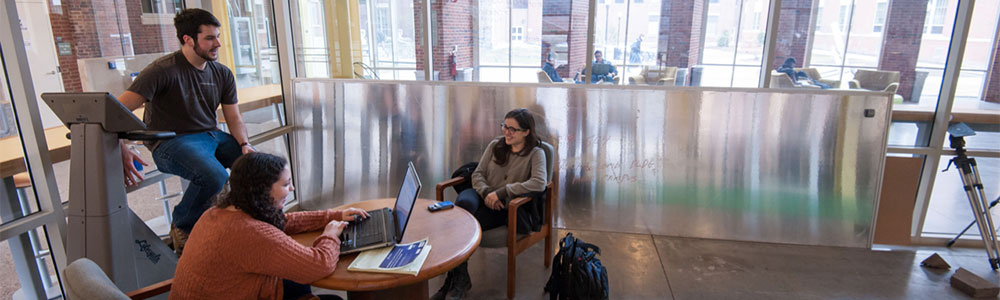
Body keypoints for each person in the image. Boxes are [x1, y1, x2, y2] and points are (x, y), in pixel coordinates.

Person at [115, 8, 255, 254]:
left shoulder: (221, 73)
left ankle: (241, 224)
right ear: (188, 39)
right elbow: (115, 111)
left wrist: (245, 145)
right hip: (171, 142)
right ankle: (183, 224)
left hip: (210, 136)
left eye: (218, 37)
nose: (218, 44)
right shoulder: (161, 71)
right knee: (214, 176)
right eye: (210, 38)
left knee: (257, 167)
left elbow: (233, 116)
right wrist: (121, 146)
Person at [170, 152, 369, 300]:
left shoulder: (218, 213)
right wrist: (330, 234)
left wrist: (333, 215)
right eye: (285, 184)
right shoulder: (250, 233)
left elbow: (284, 221)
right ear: (262, 190)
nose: (291, 189)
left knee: (294, 280)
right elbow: (320, 265)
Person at [432, 108, 548, 300]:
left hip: (507, 206)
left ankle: (454, 283)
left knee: (463, 227)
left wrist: (502, 192)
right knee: (460, 210)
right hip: (484, 196)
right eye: (505, 126)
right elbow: (478, 173)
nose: (507, 132)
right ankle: (458, 280)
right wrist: (486, 192)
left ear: (526, 132)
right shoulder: (496, 145)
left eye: (513, 129)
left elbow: (539, 182)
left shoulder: (536, 153)